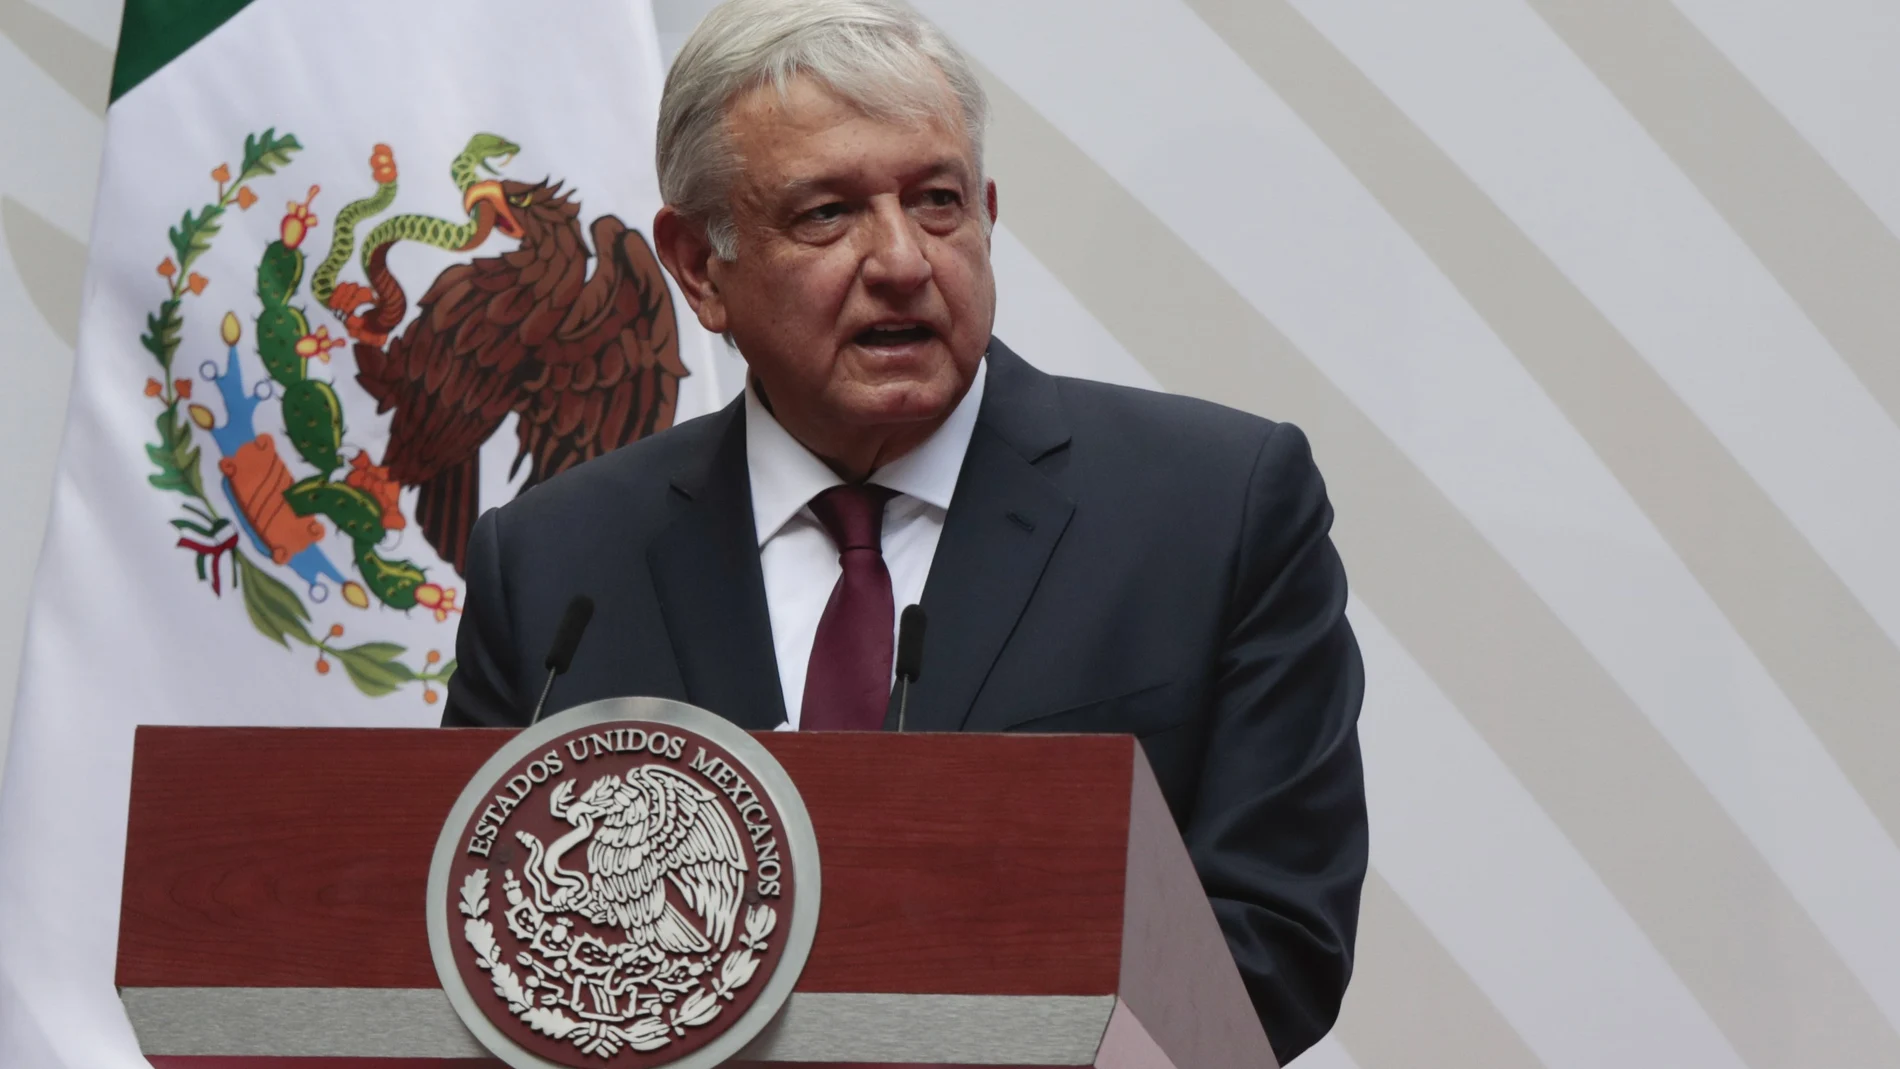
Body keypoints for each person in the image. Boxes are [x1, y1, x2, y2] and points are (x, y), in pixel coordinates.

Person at [444, 0, 1366, 1059]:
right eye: (827, 213)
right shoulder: (554, 567)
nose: (901, 260)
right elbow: (474, 948)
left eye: (936, 202)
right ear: (698, 267)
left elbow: (1271, 941)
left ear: (987, 215)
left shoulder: (1213, 511)